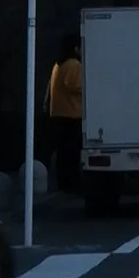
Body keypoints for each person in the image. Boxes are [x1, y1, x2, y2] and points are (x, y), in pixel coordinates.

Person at [45, 30, 85, 197]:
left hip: (59, 112)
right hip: (72, 113)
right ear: (76, 48)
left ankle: (64, 183)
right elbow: (75, 86)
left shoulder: (58, 64)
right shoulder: (73, 65)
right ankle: (71, 183)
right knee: (72, 152)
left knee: (63, 152)